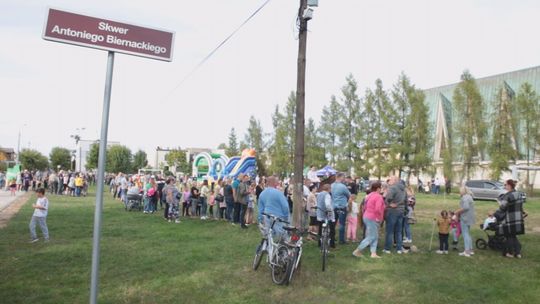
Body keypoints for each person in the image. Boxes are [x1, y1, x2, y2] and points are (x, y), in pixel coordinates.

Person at [353, 181, 385, 259]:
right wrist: (380, 218)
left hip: (367, 216)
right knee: (372, 236)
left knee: (375, 236)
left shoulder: (369, 195)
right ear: (378, 188)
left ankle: (373, 253)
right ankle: (357, 250)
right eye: (381, 188)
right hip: (373, 217)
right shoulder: (378, 196)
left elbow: (364, 207)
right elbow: (378, 209)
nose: (381, 189)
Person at [496, 179, 526, 259]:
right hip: (518, 217)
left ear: (509, 185)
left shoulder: (507, 195)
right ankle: (518, 253)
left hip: (510, 218)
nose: (504, 186)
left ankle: (509, 253)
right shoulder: (519, 194)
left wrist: (499, 202)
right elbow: (520, 206)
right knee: (513, 235)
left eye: (505, 185)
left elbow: (502, 208)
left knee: (508, 235)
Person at [383, 176, 408, 254]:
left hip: (393, 211)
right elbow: (406, 200)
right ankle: (399, 249)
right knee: (399, 231)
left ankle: (387, 248)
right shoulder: (403, 189)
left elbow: (388, 198)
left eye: (390, 179)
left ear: (395, 180)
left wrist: (389, 204)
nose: (389, 181)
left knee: (389, 231)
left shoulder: (392, 188)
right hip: (401, 210)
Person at [455, 186, 476, 257]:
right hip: (470, 218)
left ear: (463, 191)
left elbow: (466, 207)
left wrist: (457, 212)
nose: (459, 192)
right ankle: (470, 249)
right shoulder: (469, 197)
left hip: (465, 218)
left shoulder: (465, 197)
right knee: (467, 233)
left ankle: (467, 251)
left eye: (460, 191)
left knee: (465, 234)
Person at [331, 173, 351, 245]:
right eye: (343, 177)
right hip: (341, 206)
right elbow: (349, 195)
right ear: (340, 177)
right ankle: (341, 240)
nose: (344, 179)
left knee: (333, 223)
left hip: (333, 206)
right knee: (342, 224)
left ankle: (332, 238)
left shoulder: (332, 185)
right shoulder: (343, 187)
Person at [316, 184, 336, 248]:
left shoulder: (319, 194)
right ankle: (332, 244)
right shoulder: (327, 195)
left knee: (320, 229)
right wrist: (330, 210)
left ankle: (319, 243)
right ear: (329, 189)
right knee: (332, 229)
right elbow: (327, 205)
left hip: (319, 213)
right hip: (326, 214)